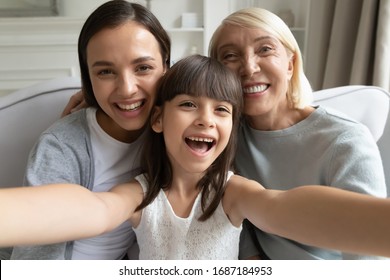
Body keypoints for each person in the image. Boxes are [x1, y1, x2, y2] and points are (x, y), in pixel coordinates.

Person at [1, 55, 390, 259]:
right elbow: (94, 210)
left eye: (222, 111)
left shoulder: (233, 193)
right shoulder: (140, 194)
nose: (206, 119)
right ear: (157, 118)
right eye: (188, 104)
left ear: (232, 126)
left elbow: (282, 208)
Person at [208, 7, 387, 260]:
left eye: (265, 49)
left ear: (290, 65)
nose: (248, 68)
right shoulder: (224, 137)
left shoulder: (345, 140)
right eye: (230, 56)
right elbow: (230, 214)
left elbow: (368, 259)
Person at [8, 0, 170, 260]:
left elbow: (209, 85)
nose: (127, 88)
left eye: (143, 67)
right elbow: (33, 257)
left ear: (166, 69)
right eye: (106, 72)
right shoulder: (62, 145)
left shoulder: (174, 129)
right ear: (88, 78)